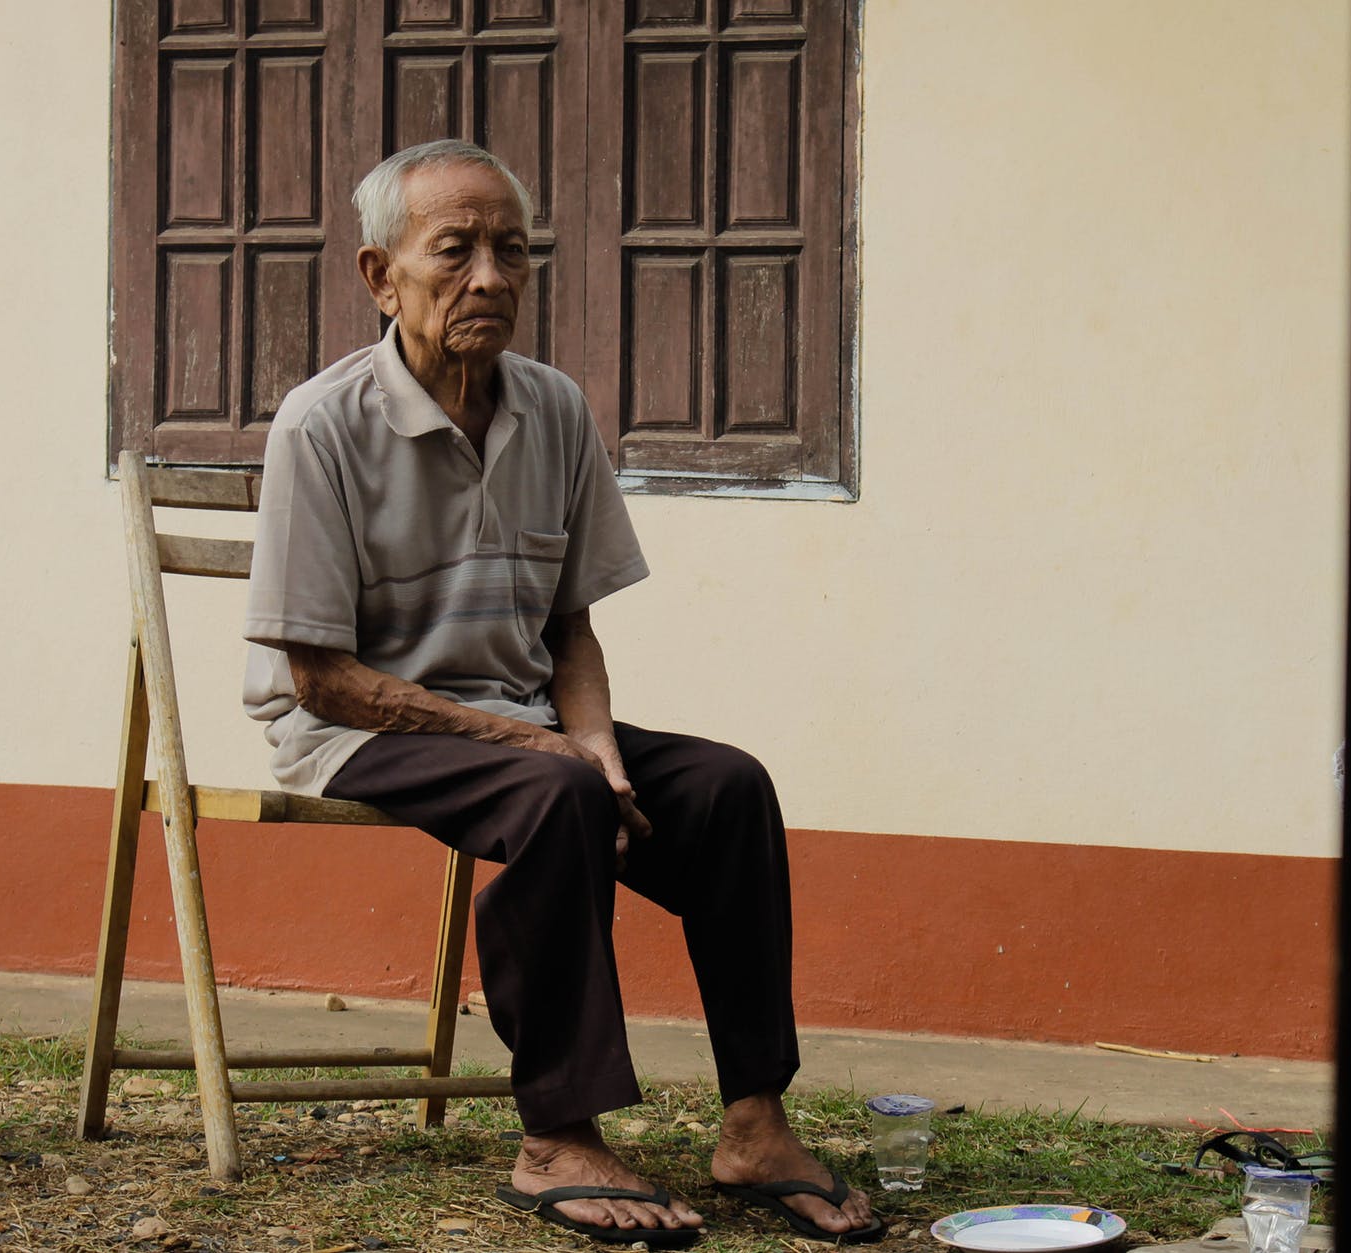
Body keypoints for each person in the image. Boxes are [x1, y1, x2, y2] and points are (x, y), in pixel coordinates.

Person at [242, 139, 881, 1247]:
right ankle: (555, 1133)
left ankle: (753, 1122)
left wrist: (594, 741)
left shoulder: (552, 408)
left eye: (511, 251)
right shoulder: (321, 423)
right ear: (377, 274)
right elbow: (319, 676)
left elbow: (567, 624)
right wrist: (539, 751)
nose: (488, 276)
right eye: (454, 250)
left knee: (726, 788)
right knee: (557, 799)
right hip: (350, 725)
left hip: (521, 719)